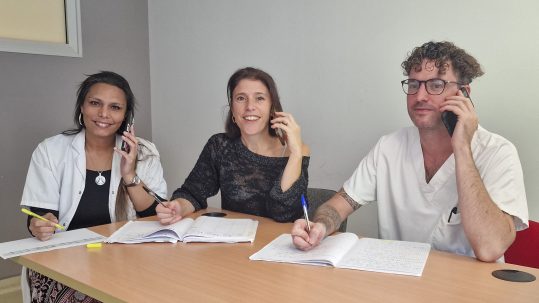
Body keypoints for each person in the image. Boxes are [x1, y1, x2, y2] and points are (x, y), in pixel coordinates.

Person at [291, 41, 529, 262]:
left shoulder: (498, 153)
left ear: (464, 94)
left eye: (436, 85)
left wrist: (462, 148)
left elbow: (490, 249)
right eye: (413, 85)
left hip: (469, 290)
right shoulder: (389, 147)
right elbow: (337, 205)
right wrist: (320, 225)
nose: (420, 96)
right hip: (399, 283)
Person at [20, 71, 167, 302]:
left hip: (125, 258)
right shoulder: (50, 150)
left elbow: (154, 216)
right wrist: (38, 224)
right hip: (63, 261)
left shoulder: (145, 152)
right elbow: (37, 217)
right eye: (95, 103)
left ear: (126, 116)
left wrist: (129, 175)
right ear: (81, 107)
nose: (104, 114)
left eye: (115, 107)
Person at [157, 67, 310, 224]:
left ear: (272, 108)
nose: (250, 106)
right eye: (241, 98)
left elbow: (283, 214)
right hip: (235, 244)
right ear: (232, 109)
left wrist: (296, 153)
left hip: (280, 244)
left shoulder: (296, 150)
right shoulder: (220, 146)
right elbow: (192, 193)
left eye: (260, 98)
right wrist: (179, 206)